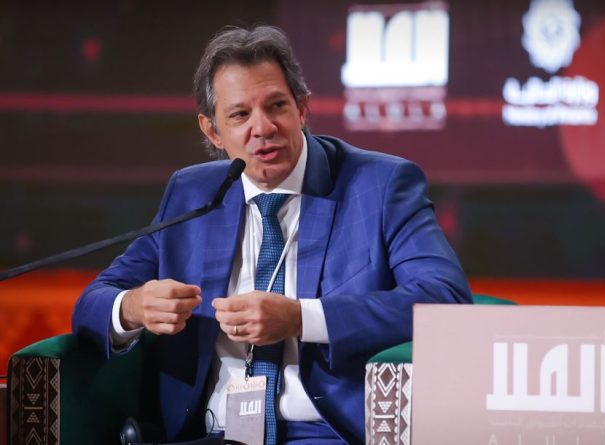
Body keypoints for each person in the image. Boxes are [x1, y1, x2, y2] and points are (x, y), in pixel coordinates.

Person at [71, 25, 471, 444]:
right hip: (211, 433)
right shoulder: (193, 194)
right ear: (212, 131)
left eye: (277, 106)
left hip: (327, 432)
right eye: (240, 115)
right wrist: (133, 306)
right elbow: (93, 303)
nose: (263, 128)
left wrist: (301, 318)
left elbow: (445, 299)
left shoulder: (380, 186)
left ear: (302, 108)